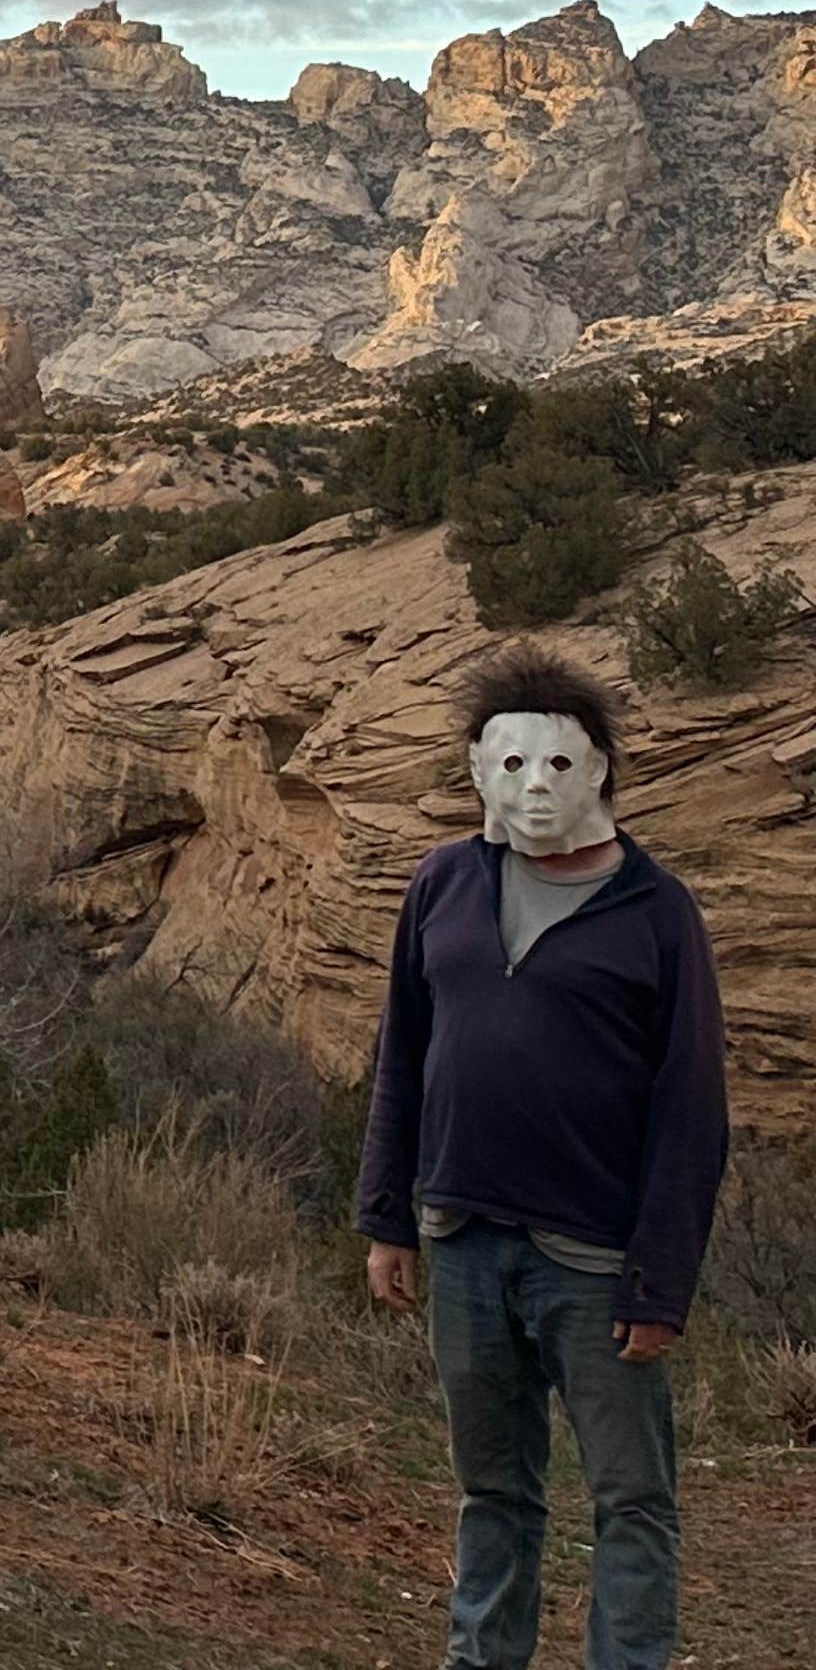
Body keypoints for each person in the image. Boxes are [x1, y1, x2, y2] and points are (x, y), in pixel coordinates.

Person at [357, 652, 729, 1670]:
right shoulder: (442, 883)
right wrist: (387, 1217)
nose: (535, 785)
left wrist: (660, 1281)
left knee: (631, 1498)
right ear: (478, 772)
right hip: (463, 1239)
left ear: (599, 770)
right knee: (492, 1490)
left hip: (595, 1261)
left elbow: (692, 1109)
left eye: (559, 764)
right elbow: (401, 1053)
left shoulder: (658, 913)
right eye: (512, 763)